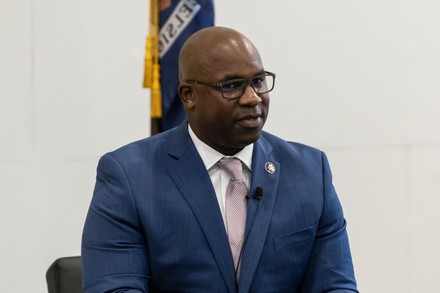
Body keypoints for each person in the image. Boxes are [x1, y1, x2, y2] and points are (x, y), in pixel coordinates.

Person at [81, 26, 358, 292]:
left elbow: (336, 286)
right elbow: (115, 288)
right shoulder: (129, 177)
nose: (252, 98)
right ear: (189, 96)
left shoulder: (310, 173)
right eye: (232, 85)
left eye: (258, 81)